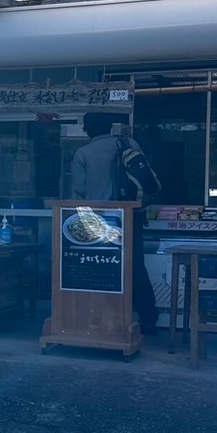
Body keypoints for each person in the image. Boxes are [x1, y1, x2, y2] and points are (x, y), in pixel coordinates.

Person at [71, 111, 159, 335]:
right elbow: (144, 176)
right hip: (131, 216)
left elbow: (79, 189)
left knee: (101, 267)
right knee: (135, 266)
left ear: (87, 130)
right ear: (110, 127)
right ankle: (147, 318)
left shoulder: (83, 153)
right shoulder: (129, 143)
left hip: (97, 220)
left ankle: (102, 319)